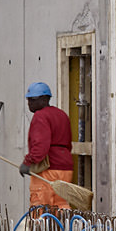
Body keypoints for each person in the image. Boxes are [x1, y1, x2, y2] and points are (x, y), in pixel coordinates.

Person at [23, 82, 74, 211]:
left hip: (48, 170)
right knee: (60, 206)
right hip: (65, 169)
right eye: (28, 100)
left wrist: (28, 162)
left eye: (33, 100)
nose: (30, 103)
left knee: (40, 208)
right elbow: (68, 144)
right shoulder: (62, 115)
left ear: (45, 99)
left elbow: (40, 146)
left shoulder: (41, 116)